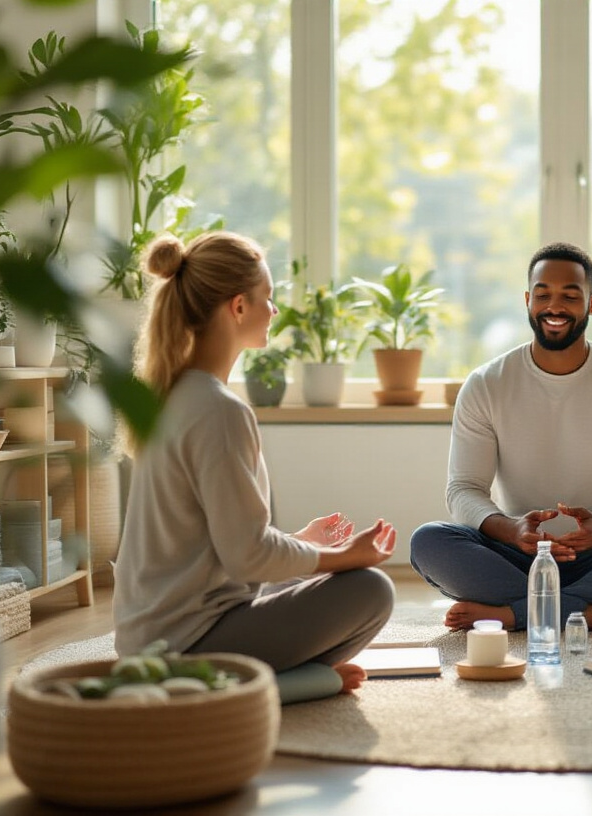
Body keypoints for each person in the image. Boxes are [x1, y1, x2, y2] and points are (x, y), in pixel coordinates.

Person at [113, 231, 396, 694]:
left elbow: (221, 551)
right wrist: (347, 556)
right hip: (185, 647)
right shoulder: (218, 410)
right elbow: (247, 558)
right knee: (371, 589)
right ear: (239, 307)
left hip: (151, 638)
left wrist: (301, 543)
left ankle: (266, 679)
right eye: (268, 296)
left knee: (301, 583)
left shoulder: (173, 398)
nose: (275, 309)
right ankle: (271, 686)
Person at [409, 241, 592, 634]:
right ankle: (591, 613)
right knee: (429, 541)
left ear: (591, 304)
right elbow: (464, 489)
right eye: (543, 294)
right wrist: (511, 530)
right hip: (514, 556)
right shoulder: (485, 384)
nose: (555, 307)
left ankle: (516, 613)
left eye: (570, 295)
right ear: (528, 300)